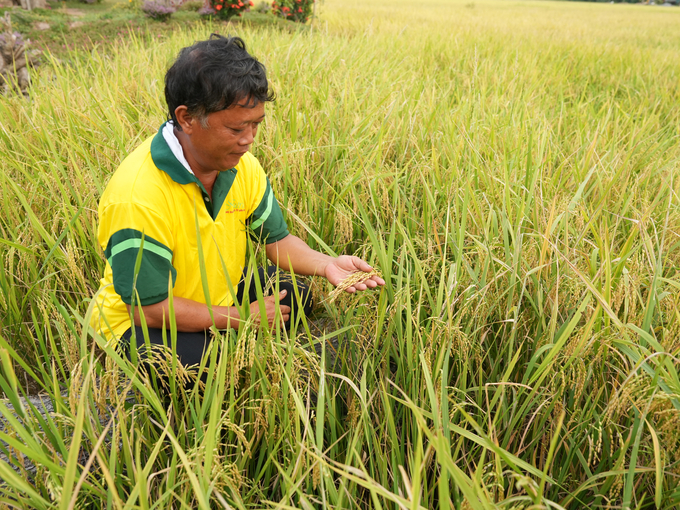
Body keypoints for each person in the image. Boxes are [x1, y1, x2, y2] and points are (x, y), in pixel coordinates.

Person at [90, 34, 385, 372]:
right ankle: (220, 349)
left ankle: (229, 336)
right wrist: (242, 318)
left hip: (216, 296)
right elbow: (148, 308)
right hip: (141, 322)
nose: (248, 140)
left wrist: (328, 264)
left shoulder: (241, 166)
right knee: (213, 367)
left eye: (256, 124)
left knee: (294, 294)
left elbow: (276, 241)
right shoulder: (138, 196)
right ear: (186, 118)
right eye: (235, 128)